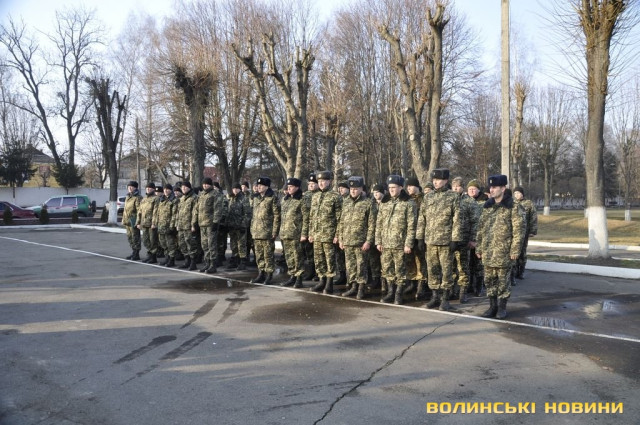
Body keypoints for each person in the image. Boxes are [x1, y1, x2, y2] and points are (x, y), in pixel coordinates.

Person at [476, 175, 526, 319]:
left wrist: (515, 250)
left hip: (504, 251)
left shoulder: (513, 206)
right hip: (488, 250)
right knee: (489, 280)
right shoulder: (487, 206)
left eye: (494, 187)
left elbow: (519, 231)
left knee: (503, 281)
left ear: (503, 188)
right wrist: (479, 247)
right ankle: (492, 306)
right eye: (490, 187)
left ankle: (502, 308)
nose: (491, 190)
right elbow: (481, 228)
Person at [416, 169, 462, 311]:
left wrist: (455, 239)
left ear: (446, 180)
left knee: (447, 271)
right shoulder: (428, 197)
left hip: (445, 241)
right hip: (430, 241)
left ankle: (445, 299)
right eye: (434, 180)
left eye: (439, 180)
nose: (435, 182)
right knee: (432, 270)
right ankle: (435, 297)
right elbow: (422, 218)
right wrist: (420, 237)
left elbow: (457, 219)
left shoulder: (453, 197)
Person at [375, 174, 416, 304]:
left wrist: (408, 243)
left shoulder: (408, 203)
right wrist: (378, 241)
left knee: (400, 270)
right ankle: (390, 292)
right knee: (387, 269)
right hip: (386, 243)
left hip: (400, 243)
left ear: (401, 187)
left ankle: (398, 294)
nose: (391, 190)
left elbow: (412, 225)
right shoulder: (385, 202)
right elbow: (379, 223)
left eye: (394, 187)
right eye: (390, 187)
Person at [338, 176, 376, 300]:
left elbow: (372, 224)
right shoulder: (346, 202)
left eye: (355, 189)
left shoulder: (368, 203)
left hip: (361, 241)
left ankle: (361, 288)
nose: (353, 191)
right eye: (351, 189)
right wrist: (341, 238)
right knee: (350, 266)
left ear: (361, 189)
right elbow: (341, 222)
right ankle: (353, 286)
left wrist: (368, 241)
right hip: (348, 240)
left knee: (361, 266)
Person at [307, 171, 342, 294]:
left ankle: (329, 283)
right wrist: (311, 233)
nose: (321, 183)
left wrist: (337, 235)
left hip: (329, 234)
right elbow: (312, 216)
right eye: (319, 181)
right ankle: (321, 280)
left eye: (323, 181)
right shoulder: (315, 196)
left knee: (329, 259)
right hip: (317, 234)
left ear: (329, 181)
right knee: (319, 259)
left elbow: (340, 218)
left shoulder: (335, 196)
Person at [450, 177, 481, 304]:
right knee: (451, 266)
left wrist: (473, 239)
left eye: (458, 186)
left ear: (463, 188)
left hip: (464, 239)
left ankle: (463, 291)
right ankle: (453, 290)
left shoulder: (469, 202)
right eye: (453, 186)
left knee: (463, 266)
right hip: (449, 240)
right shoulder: (449, 200)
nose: (455, 188)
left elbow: (476, 222)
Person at [250, 176, 281, 284]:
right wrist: (252, 229)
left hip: (267, 232)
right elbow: (254, 215)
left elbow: (277, 216)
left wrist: (275, 232)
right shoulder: (256, 198)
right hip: (256, 232)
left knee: (268, 255)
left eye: (261, 185)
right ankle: (261, 273)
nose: (258, 187)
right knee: (259, 255)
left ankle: (269, 274)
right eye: (258, 185)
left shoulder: (272, 198)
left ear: (267, 186)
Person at [192, 177, 225, 274]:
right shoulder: (201, 195)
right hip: (202, 224)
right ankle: (207, 263)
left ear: (210, 185)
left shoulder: (215, 194)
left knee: (211, 245)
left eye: (207, 184)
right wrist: (194, 222)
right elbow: (196, 209)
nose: (205, 185)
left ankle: (213, 264)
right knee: (204, 245)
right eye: (204, 184)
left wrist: (215, 222)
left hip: (211, 224)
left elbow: (218, 209)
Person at [404, 177, 428, 300]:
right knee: (410, 260)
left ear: (417, 187)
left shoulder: (424, 199)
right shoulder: (407, 200)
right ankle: (412, 282)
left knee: (421, 261)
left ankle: (421, 285)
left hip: (420, 234)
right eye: (407, 186)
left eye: (411, 186)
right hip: (409, 234)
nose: (408, 188)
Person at [279, 177, 305, 288]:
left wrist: (304, 233)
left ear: (297, 187)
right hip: (285, 232)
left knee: (297, 256)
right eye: (288, 187)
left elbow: (306, 218)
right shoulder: (285, 200)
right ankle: (292, 276)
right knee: (289, 257)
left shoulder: (301, 200)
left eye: (291, 187)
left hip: (296, 233)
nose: (289, 189)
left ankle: (299, 278)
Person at [512, 186, 538, 280]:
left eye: (518, 193)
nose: (516, 195)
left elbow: (533, 218)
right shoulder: (512, 203)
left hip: (525, 232)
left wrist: (532, 231)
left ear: (522, 194)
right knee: (514, 252)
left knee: (522, 252)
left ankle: (521, 271)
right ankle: (514, 272)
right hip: (514, 232)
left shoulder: (528, 203)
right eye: (515, 193)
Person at [226, 183, 251, 271]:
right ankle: (235, 259)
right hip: (232, 226)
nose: (235, 190)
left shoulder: (244, 199)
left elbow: (247, 214)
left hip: (240, 226)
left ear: (240, 189)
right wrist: (227, 223)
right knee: (233, 244)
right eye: (233, 189)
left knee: (241, 244)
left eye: (237, 188)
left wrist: (243, 225)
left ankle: (243, 261)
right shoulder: (231, 199)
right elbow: (228, 212)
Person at [154, 183, 179, 267]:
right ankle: (167, 258)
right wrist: (156, 223)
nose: (165, 191)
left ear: (171, 190)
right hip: (161, 226)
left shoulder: (174, 200)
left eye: (167, 189)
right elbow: (158, 213)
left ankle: (171, 260)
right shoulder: (162, 200)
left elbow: (174, 214)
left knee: (170, 244)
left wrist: (172, 227)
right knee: (163, 244)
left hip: (169, 226)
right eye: (164, 189)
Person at [300, 173, 319, 281]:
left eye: (313, 183)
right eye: (309, 183)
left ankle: (318, 273)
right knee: (308, 251)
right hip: (305, 226)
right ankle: (311, 271)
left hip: (316, 228)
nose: (311, 185)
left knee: (317, 252)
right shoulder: (305, 195)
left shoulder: (319, 195)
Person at [136, 181, 160, 264]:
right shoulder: (144, 199)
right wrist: (138, 222)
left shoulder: (156, 198)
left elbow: (156, 212)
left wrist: (154, 223)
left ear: (153, 189)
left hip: (151, 224)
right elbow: (140, 211)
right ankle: (149, 255)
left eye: (150, 188)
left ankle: (153, 257)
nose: (148, 189)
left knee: (153, 240)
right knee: (146, 240)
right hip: (144, 223)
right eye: (147, 188)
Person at [177, 181, 199, 270]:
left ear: (189, 188)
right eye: (182, 187)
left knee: (191, 244)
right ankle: (187, 261)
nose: (183, 189)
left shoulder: (194, 197)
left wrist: (193, 225)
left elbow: (195, 212)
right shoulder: (182, 198)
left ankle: (193, 262)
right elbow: (178, 212)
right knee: (182, 244)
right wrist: (177, 224)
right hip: (181, 225)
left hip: (189, 225)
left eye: (185, 187)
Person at [368, 184, 385, 293]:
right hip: (372, 235)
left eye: (378, 192)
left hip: (383, 235)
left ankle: (384, 281)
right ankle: (375, 278)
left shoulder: (386, 203)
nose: (376, 194)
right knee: (373, 259)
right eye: (374, 193)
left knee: (383, 260)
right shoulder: (371, 204)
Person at [122, 181, 142, 261]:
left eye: (132, 187)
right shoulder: (128, 197)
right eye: (129, 187)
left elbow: (139, 210)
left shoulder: (138, 197)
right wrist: (124, 220)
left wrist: (138, 222)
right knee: (130, 237)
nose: (130, 188)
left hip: (134, 220)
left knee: (135, 237)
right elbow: (125, 210)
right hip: (127, 221)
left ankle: (136, 253)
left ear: (135, 188)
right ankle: (133, 251)